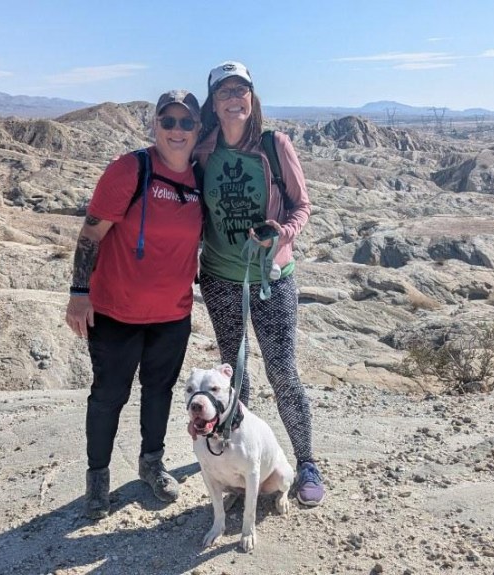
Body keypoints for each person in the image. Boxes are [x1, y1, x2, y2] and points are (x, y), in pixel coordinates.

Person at [192, 61, 325, 506]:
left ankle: (305, 462)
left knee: (283, 371)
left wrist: (283, 232)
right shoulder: (204, 150)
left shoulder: (274, 144)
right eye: (225, 91)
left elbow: (302, 205)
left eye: (241, 89)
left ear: (252, 96)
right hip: (219, 278)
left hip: (270, 278)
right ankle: (233, 463)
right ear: (214, 101)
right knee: (236, 373)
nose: (234, 98)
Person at [65, 89, 203, 520]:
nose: (176, 131)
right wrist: (78, 293)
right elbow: (90, 235)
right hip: (116, 313)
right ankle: (97, 480)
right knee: (108, 397)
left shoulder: (201, 177)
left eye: (186, 123)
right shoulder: (130, 169)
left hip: (173, 315)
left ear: (198, 129)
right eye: (168, 121)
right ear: (154, 125)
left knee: (159, 393)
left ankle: (151, 464)